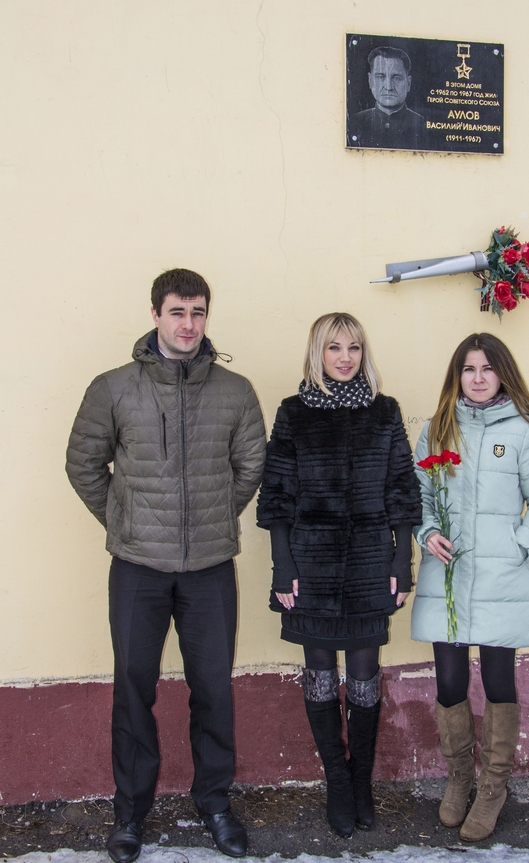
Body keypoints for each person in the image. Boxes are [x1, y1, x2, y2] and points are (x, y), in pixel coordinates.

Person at [65, 269, 266, 863]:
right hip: (137, 569)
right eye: (177, 311)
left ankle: (215, 803)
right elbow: (83, 463)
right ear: (155, 314)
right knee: (133, 690)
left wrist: (211, 518)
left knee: (214, 689)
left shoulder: (235, 391)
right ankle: (130, 813)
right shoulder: (113, 388)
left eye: (198, 312)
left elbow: (250, 466)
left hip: (210, 569)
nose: (188, 324)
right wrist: (125, 520)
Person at [256, 313, 421, 838]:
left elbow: (401, 488)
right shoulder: (293, 413)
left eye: (353, 347)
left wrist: (401, 561)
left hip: (371, 561)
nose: (345, 357)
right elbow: (277, 495)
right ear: (317, 353)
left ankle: (361, 780)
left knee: (365, 675)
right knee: (321, 671)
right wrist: (283, 566)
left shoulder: (384, 412)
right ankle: (337, 782)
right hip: (312, 564)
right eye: (333, 347)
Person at [411, 333, 529, 842]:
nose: (477, 378)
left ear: (502, 374)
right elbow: (420, 496)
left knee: (498, 682)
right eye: (469, 369)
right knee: (450, 682)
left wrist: (518, 546)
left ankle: (494, 785)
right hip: (448, 577)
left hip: (500, 578)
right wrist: (428, 532)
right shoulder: (437, 429)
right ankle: (459, 778)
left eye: (487, 369)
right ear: (457, 375)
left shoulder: (524, 431)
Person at [348, 46, 425, 150]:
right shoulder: (354, 122)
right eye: (380, 77)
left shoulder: (422, 125)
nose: (388, 87)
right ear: (370, 81)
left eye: (397, 78)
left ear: (408, 83)